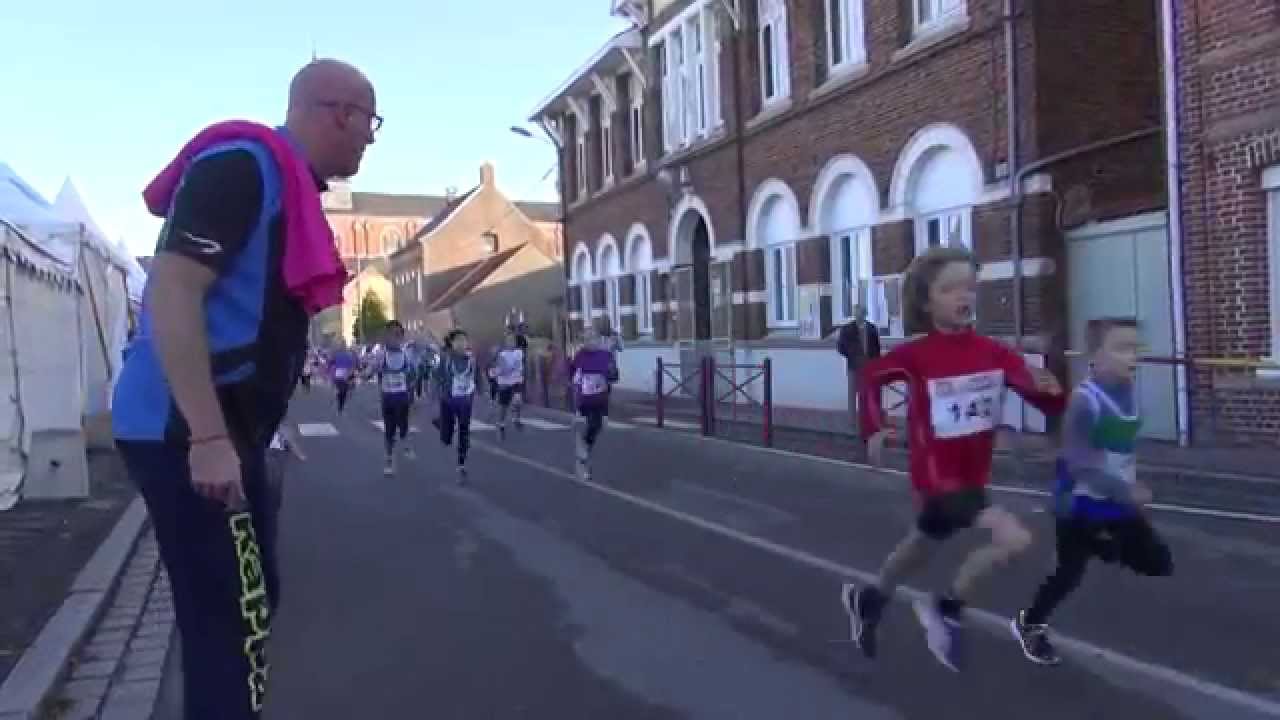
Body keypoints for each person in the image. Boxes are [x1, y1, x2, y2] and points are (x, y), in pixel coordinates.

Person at [111, 58, 377, 719]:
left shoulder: (287, 184)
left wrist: (263, 425)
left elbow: (252, 317)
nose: (370, 139)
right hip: (181, 429)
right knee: (230, 623)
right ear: (340, 113)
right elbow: (173, 290)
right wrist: (206, 436)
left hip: (231, 426)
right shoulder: (242, 166)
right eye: (370, 123)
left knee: (256, 602)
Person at [843, 245, 1066, 672]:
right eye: (950, 289)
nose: (963, 297)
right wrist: (874, 427)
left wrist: (1056, 396)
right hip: (936, 477)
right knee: (1013, 538)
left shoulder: (993, 352)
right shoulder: (916, 356)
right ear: (927, 302)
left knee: (918, 549)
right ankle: (945, 609)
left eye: (969, 287)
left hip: (972, 475)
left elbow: (1038, 395)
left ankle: (868, 599)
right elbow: (871, 380)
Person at [1011, 317, 1172, 666]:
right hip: (1080, 505)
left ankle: (1105, 547)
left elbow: (1118, 449)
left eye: (1135, 348)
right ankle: (1029, 623)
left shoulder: (1127, 391)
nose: (1132, 356)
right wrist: (1126, 490)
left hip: (1114, 502)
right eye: (1122, 348)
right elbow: (1082, 465)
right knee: (1068, 575)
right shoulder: (1084, 403)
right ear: (1095, 356)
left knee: (1158, 562)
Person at [569, 328, 619, 482]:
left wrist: (611, 373)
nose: (590, 342)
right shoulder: (579, 356)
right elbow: (572, 374)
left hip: (601, 399)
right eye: (586, 339)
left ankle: (584, 453)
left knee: (596, 428)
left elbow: (614, 376)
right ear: (583, 342)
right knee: (586, 426)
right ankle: (582, 460)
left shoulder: (606, 355)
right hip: (584, 400)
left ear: (598, 340)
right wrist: (575, 381)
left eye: (592, 339)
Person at [372, 320, 415, 475]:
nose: (394, 338)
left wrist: (412, 393)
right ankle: (389, 460)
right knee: (389, 430)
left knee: (402, 425)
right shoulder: (381, 355)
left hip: (402, 397)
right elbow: (372, 370)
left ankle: (405, 442)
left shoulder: (406, 355)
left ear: (401, 338)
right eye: (390, 335)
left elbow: (412, 375)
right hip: (388, 397)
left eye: (397, 335)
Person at [433, 329, 476, 482]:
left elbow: (474, 377)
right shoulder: (445, 359)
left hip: (465, 401)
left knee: (464, 430)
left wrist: (479, 390)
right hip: (448, 401)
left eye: (464, 340)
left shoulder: (471, 360)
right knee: (447, 437)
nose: (462, 343)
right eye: (458, 340)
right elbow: (436, 377)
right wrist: (439, 393)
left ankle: (461, 464)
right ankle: (441, 424)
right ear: (451, 343)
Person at [837, 304, 881, 429]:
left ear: (865, 314)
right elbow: (841, 347)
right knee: (852, 394)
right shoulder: (847, 329)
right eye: (856, 313)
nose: (858, 315)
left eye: (860, 313)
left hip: (869, 367)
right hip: (854, 367)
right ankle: (852, 423)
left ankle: (865, 421)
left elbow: (877, 348)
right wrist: (852, 356)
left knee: (867, 394)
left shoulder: (872, 329)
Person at [494, 332, 526, 438]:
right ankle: (501, 424)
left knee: (518, 400)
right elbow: (502, 367)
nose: (511, 343)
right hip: (504, 382)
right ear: (506, 342)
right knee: (503, 406)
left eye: (513, 341)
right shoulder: (502, 354)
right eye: (509, 341)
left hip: (516, 381)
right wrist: (502, 370)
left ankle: (516, 419)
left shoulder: (519, 352)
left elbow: (521, 364)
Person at [330, 345, 356, 414]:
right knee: (344, 391)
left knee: (341, 390)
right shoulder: (349, 356)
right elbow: (352, 366)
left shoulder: (336, 355)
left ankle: (339, 403)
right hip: (345, 375)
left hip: (339, 374)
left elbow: (331, 363)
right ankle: (340, 406)